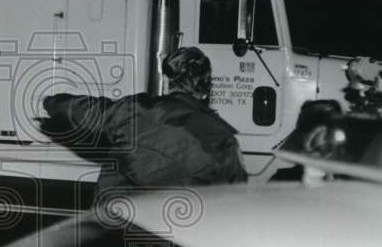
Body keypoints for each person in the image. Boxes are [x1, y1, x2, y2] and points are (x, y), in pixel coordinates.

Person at [40, 46, 247, 194]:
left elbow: (86, 110)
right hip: (179, 237)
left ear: (166, 82)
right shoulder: (224, 138)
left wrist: (52, 102)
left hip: (119, 226)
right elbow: (234, 201)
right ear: (205, 90)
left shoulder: (137, 110)